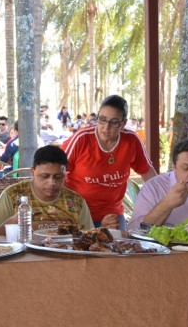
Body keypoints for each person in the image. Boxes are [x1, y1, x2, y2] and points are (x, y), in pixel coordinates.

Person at [62, 94, 157, 229]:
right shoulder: (82, 139)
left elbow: (150, 176)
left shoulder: (131, 141)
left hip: (113, 216)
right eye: (102, 120)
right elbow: (57, 171)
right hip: (78, 213)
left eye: (113, 122)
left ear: (123, 124)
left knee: (119, 247)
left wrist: (165, 202)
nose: (106, 128)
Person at [0, 145, 93, 234]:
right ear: (33, 173)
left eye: (58, 177)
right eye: (45, 176)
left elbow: (89, 235)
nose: (52, 183)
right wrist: (11, 223)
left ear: (65, 174)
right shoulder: (13, 195)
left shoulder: (76, 201)